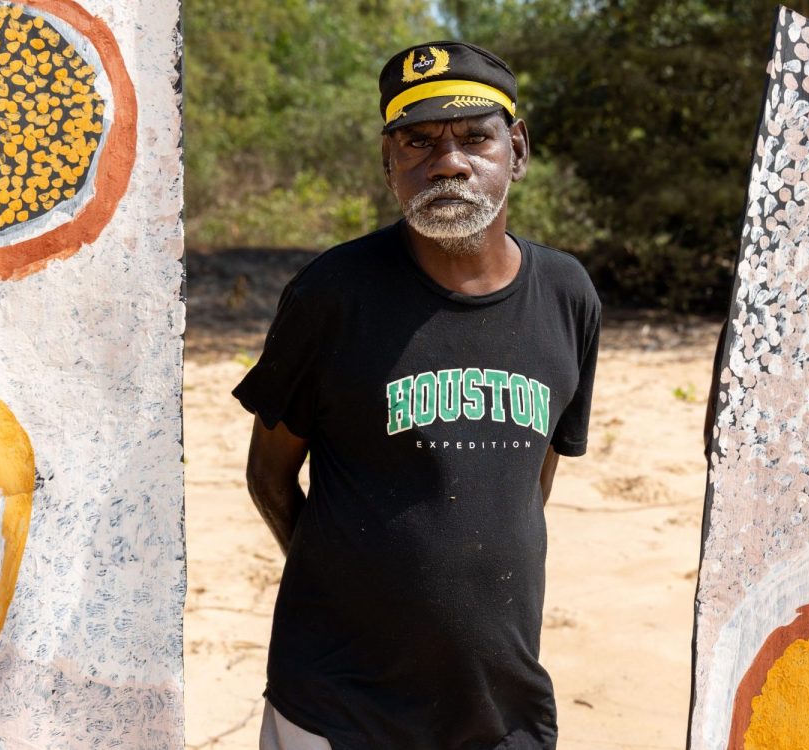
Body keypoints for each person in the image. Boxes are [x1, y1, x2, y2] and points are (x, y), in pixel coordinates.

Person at [234, 40, 601, 750]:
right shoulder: (332, 294)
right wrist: (350, 593)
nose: (448, 163)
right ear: (388, 162)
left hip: (501, 705)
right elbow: (268, 476)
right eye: (418, 141)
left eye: (475, 138)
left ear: (517, 151)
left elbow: (530, 482)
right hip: (339, 704)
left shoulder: (567, 295)